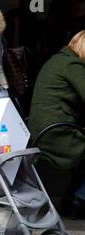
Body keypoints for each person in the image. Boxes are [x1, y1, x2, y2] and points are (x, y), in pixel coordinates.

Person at [28, 30, 85, 220]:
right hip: (56, 133)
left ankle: (73, 199)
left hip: (45, 130)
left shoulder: (59, 60)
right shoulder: (72, 65)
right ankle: (78, 198)